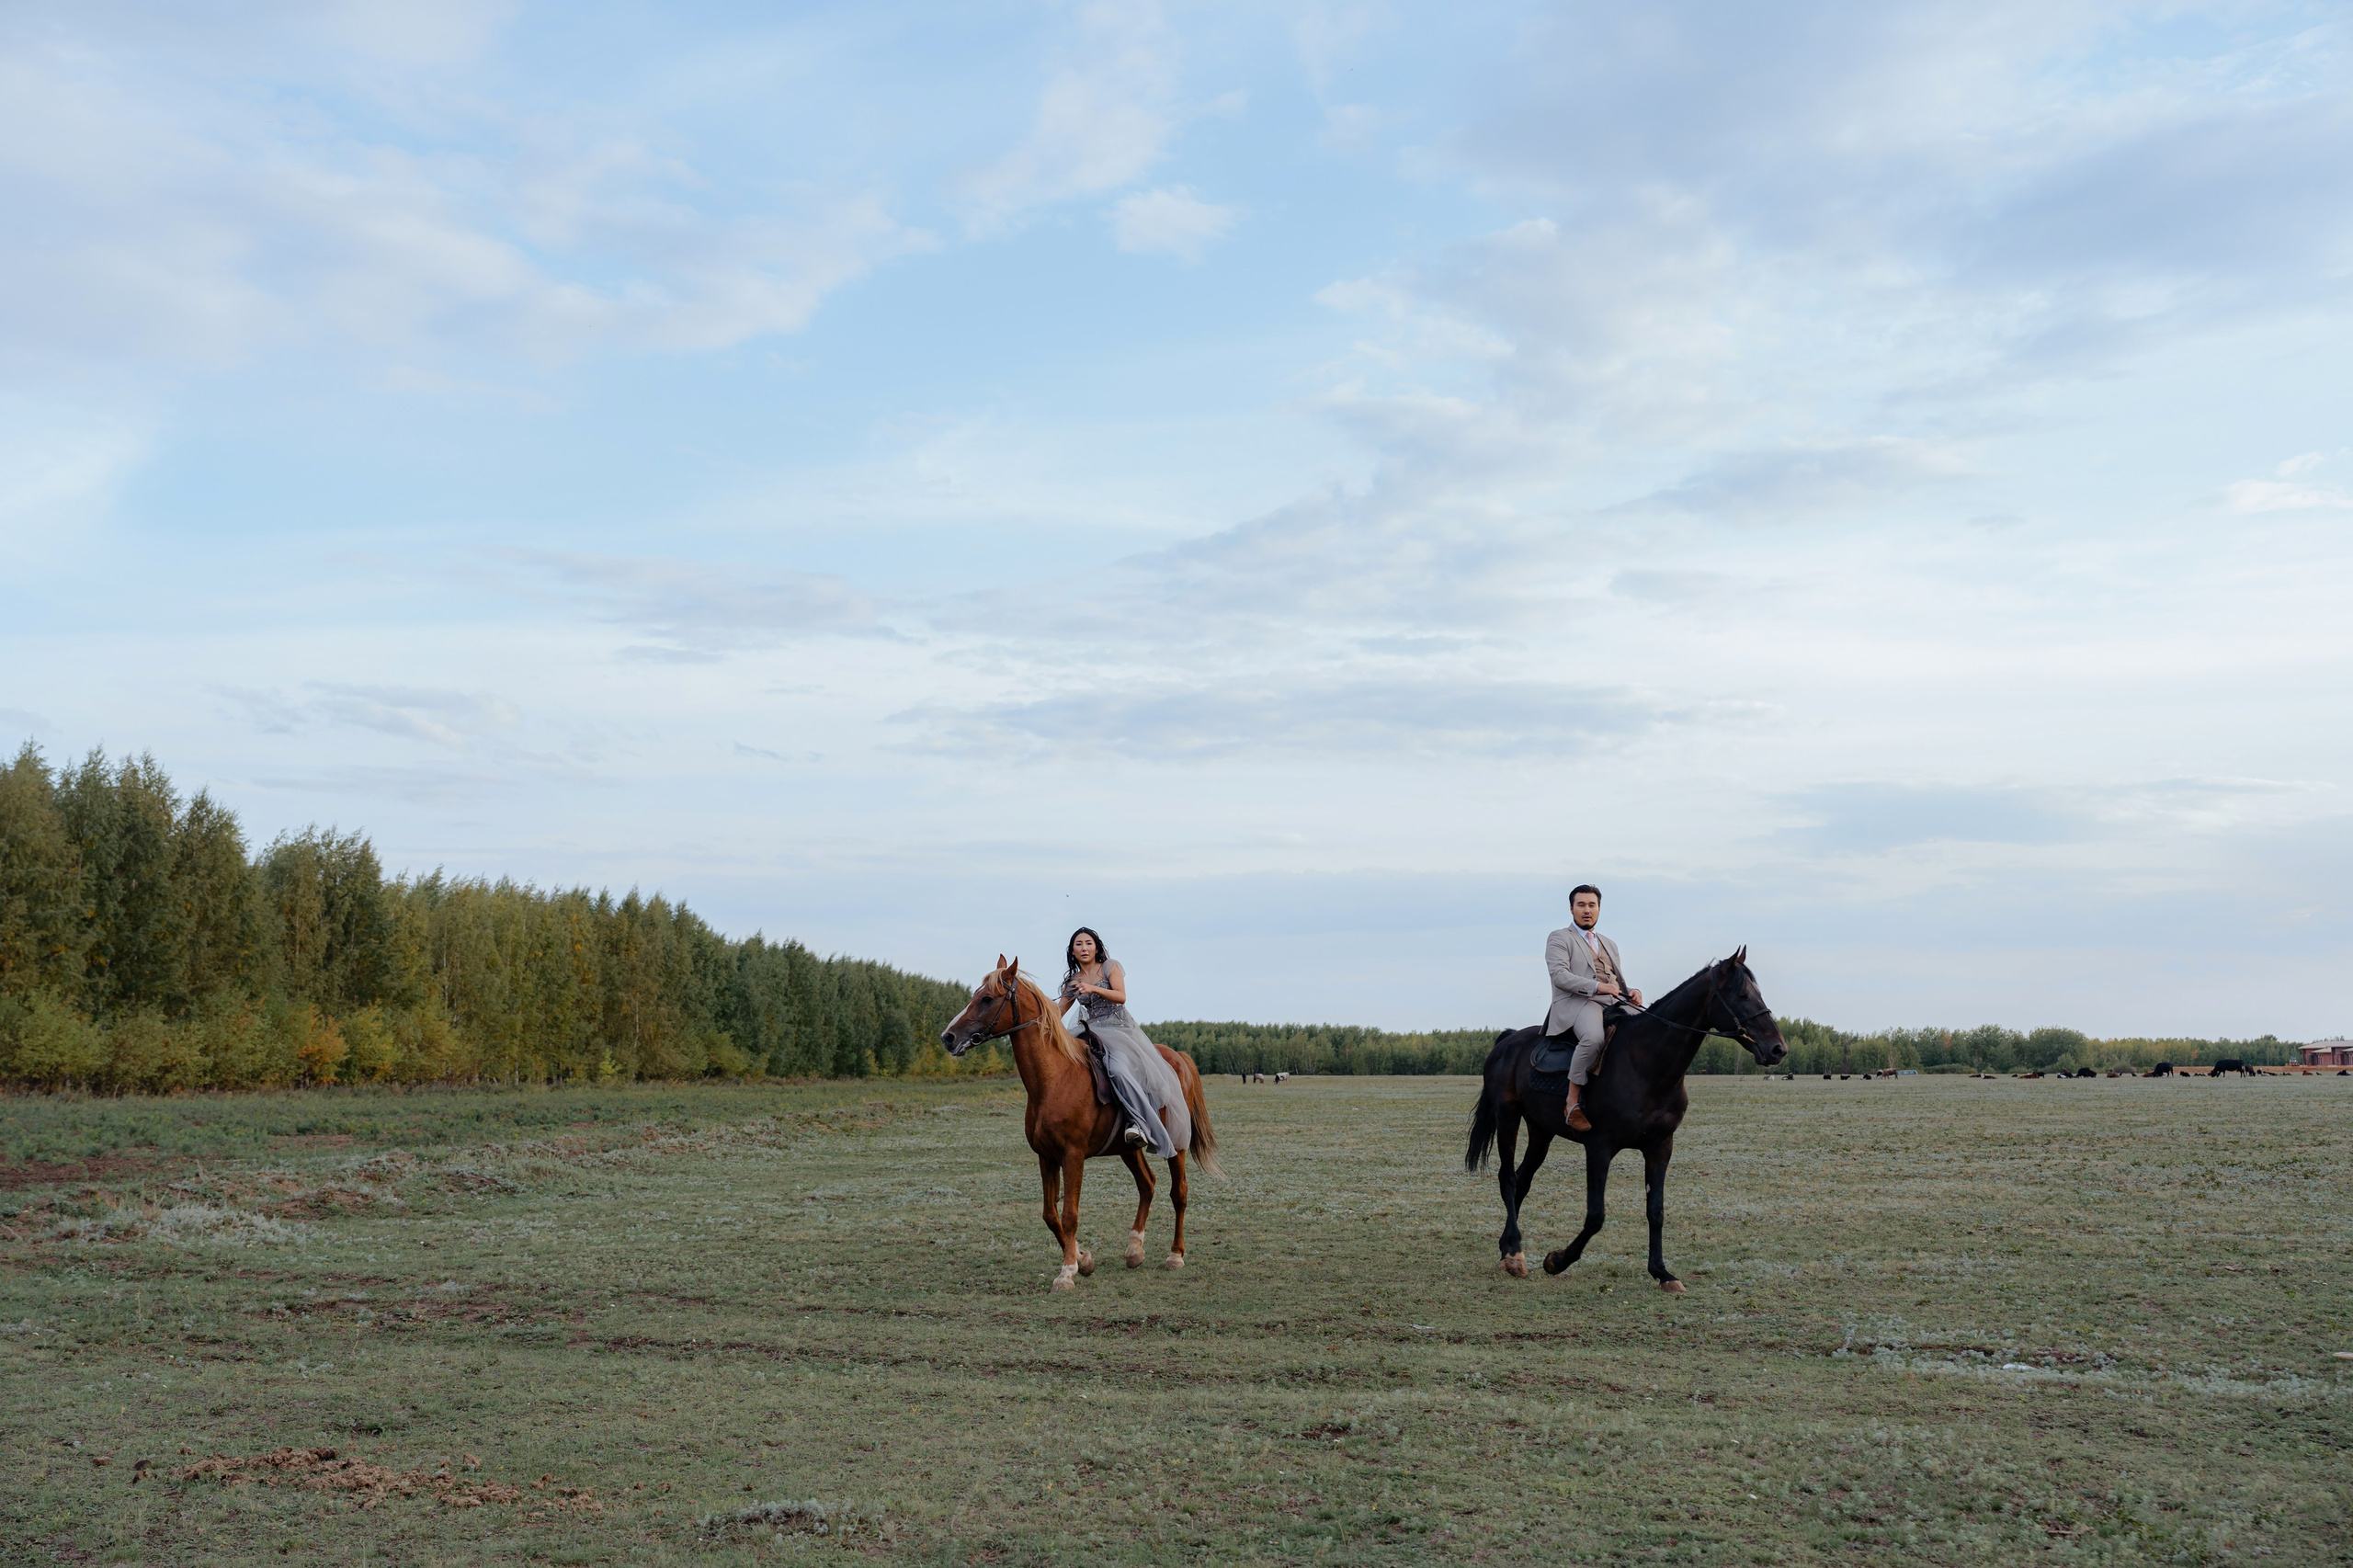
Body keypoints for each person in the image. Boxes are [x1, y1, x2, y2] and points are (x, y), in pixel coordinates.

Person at [1060, 927, 1190, 1161]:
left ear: (1097, 947)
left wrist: (1092, 988)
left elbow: (1121, 996)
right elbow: (1059, 1010)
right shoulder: (1073, 981)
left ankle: (1140, 1124)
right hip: (1090, 1031)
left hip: (1119, 1030)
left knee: (1118, 1070)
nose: (1084, 948)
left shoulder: (1110, 966)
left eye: (1088, 943)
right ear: (1072, 951)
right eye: (1078, 944)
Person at [1543, 884, 1643, 1132]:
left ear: (1599, 909)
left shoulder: (1609, 943)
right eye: (1581, 905)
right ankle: (1572, 1103)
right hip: (1577, 1002)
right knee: (1593, 1038)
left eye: (1592, 905)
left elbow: (1615, 980)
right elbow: (1560, 976)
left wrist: (1632, 991)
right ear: (1571, 909)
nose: (1587, 910)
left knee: (1652, 1027)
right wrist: (1597, 987)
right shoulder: (1559, 937)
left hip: (1613, 1000)